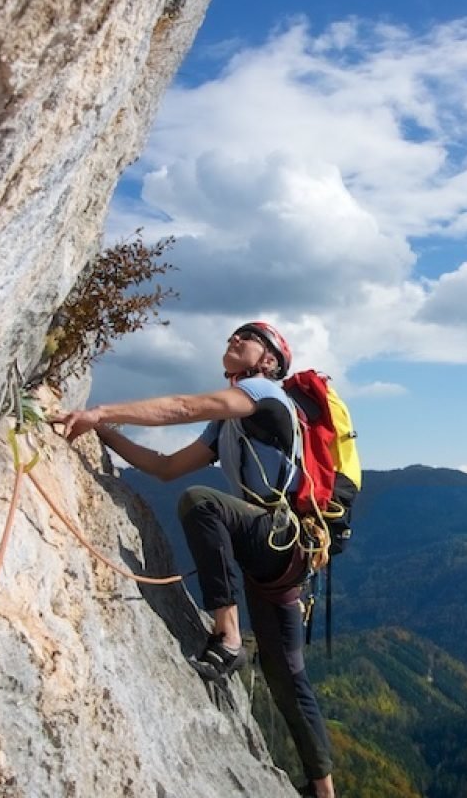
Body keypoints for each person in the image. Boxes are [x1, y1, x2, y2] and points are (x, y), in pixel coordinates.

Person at [54, 321, 335, 798]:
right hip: (278, 552)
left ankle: (227, 637)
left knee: (202, 502)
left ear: (268, 361)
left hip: (273, 537)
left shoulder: (264, 394)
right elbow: (166, 469)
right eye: (232, 336)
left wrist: (101, 409)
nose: (234, 340)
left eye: (247, 339)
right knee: (286, 675)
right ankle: (323, 789)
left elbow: (182, 406)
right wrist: (102, 431)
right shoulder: (228, 423)